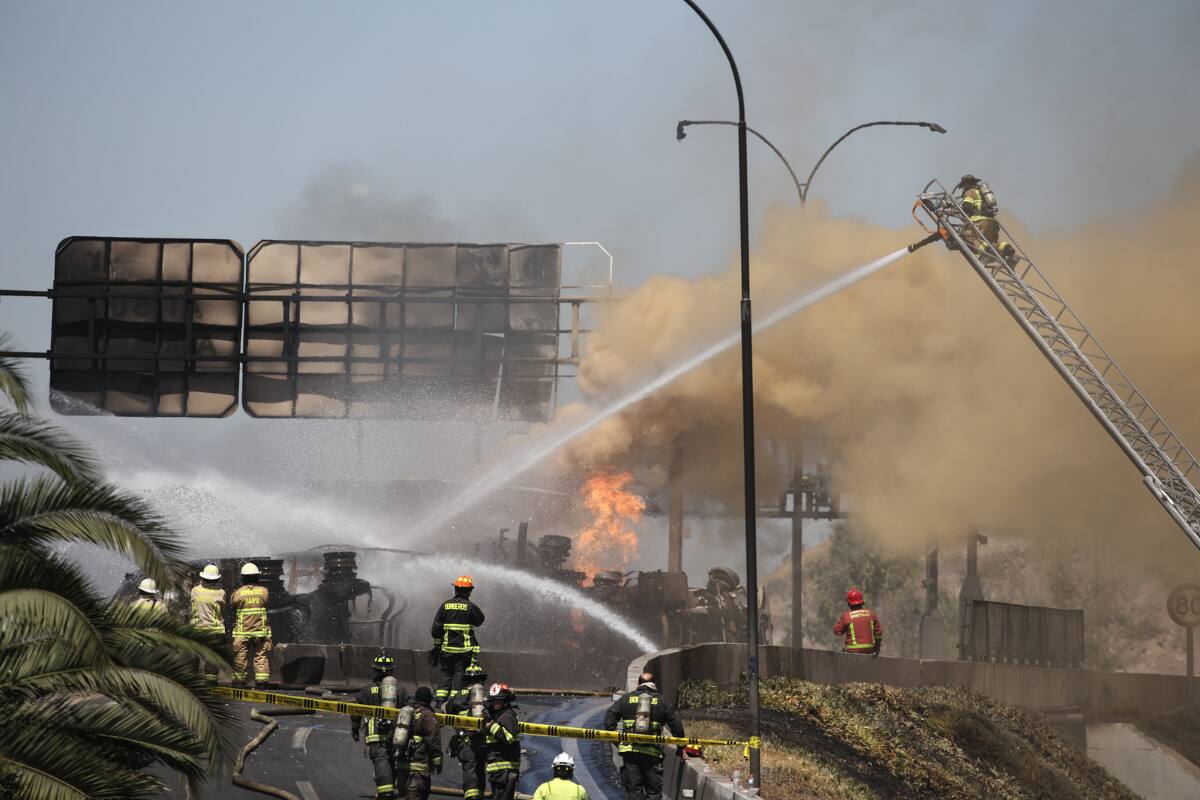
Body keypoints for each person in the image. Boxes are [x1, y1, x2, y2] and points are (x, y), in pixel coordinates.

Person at [603, 672, 685, 800]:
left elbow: (609, 720)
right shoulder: (662, 701)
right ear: (654, 684)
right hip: (652, 754)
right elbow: (677, 726)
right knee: (653, 793)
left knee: (634, 792)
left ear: (638, 684)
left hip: (630, 753)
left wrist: (618, 741)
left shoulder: (626, 699)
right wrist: (681, 748)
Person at [350, 652, 408, 800]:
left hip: (376, 734)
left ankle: (385, 793)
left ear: (374, 670)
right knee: (393, 761)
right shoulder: (401, 690)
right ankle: (389, 790)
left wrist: (355, 728)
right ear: (392, 670)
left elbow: (355, 710)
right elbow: (407, 711)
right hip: (396, 734)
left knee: (381, 760)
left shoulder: (367, 690)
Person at [430, 575, 485, 708]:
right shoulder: (470, 607)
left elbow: (436, 629)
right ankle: (454, 703)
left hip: (447, 650)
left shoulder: (445, 606)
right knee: (459, 676)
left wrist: (437, 646)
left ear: (456, 589)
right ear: (469, 591)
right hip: (463, 651)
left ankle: (440, 700)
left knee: (445, 674)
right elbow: (480, 620)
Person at [446, 662, 489, 800]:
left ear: (465, 679)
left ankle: (471, 796)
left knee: (469, 767)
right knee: (480, 767)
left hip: (465, 739)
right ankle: (480, 795)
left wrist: (460, 732)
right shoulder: (484, 697)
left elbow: (448, 714)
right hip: (482, 739)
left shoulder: (457, 696)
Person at [955, 174, 1018, 267]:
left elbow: (967, 207)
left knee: (967, 236)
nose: (963, 188)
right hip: (992, 223)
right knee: (992, 243)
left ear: (966, 184)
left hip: (980, 222)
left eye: (964, 186)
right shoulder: (981, 193)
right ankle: (1009, 252)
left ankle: (986, 254)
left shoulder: (970, 192)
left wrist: (957, 210)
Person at [393, 686, 442, 800]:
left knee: (403, 796)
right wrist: (437, 762)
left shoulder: (404, 712)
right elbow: (433, 740)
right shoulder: (428, 715)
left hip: (402, 767)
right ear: (428, 699)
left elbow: (392, 735)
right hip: (418, 769)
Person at [230, 562, 272, 687]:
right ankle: (262, 682)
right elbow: (267, 602)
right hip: (260, 632)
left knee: (240, 657)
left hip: (242, 632)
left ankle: (239, 681)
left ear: (243, 577)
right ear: (257, 576)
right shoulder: (264, 591)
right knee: (261, 656)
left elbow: (232, 605)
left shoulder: (238, 593)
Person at [189, 564, 227, 685]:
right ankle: (211, 683)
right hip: (215, 631)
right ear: (217, 579)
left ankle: (190, 681)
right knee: (212, 659)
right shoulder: (221, 593)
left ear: (203, 578)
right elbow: (223, 609)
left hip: (197, 629)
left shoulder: (195, 591)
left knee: (194, 656)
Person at [483, 682, 520, 800]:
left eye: (498, 700)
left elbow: (509, 738)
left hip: (504, 770)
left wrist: (491, 726)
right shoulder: (498, 715)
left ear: (505, 700)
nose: (494, 703)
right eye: (493, 700)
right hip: (499, 771)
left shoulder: (507, 716)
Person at [833, 588, 884, 656]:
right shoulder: (871, 614)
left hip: (852, 652)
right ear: (862, 601)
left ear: (849, 603)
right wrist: (877, 648)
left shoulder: (847, 616)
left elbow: (837, 631)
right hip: (870, 651)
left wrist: (845, 627)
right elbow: (879, 632)